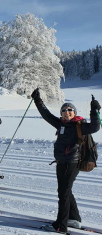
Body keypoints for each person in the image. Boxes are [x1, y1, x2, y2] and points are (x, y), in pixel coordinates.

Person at [31, 88, 100, 234]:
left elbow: (95, 127)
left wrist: (94, 111)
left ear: (74, 112)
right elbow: (46, 115)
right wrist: (38, 101)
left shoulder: (80, 126)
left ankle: (60, 226)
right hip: (61, 162)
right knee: (65, 191)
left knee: (63, 193)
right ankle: (73, 219)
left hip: (72, 162)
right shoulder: (61, 124)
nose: (66, 112)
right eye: (64, 110)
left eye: (70, 110)